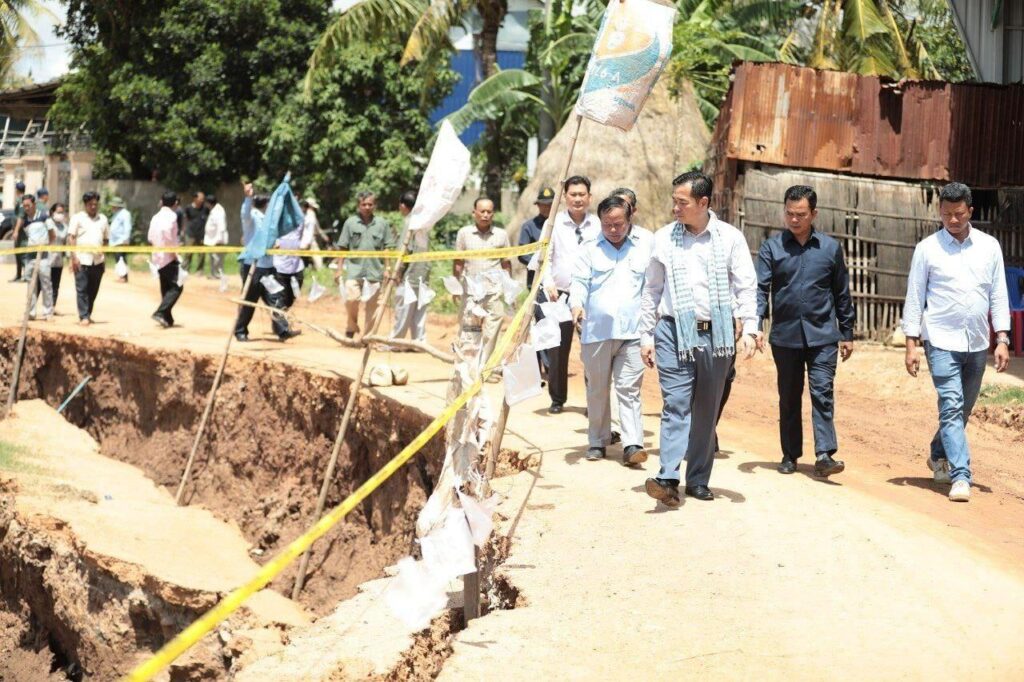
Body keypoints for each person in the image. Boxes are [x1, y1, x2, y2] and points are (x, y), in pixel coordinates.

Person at [640, 171, 760, 506]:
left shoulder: (730, 238)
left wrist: (751, 327)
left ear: (703, 202)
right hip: (672, 331)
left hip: (716, 335)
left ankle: (697, 479)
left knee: (707, 409)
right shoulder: (663, 238)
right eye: (674, 201)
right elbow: (651, 290)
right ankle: (667, 476)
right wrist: (646, 335)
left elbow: (746, 286)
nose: (675, 208)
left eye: (682, 202)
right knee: (676, 404)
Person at [902, 182, 1011, 503]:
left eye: (959, 214)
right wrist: (911, 344)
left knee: (962, 408)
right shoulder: (927, 249)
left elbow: (998, 294)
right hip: (939, 339)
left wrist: (1002, 338)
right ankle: (961, 475)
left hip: (977, 341)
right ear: (940, 211)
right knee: (951, 405)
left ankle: (938, 453)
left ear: (970, 211)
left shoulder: (989, 247)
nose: (952, 220)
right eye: (946, 214)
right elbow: (914, 297)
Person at [756, 185, 856, 478]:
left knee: (822, 392)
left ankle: (824, 454)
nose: (794, 219)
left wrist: (847, 332)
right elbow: (760, 289)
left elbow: (841, 293)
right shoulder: (771, 248)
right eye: (789, 213)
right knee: (789, 397)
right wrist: (756, 325)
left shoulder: (830, 249)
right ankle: (790, 454)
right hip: (785, 337)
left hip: (823, 335)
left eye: (801, 214)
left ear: (814, 214)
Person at [570, 195, 653, 466]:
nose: (613, 229)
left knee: (629, 388)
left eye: (619, 224)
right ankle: (597, 440)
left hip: (633, 332)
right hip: (597, 331)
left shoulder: (644, 246)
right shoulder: (588, 248)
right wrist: (576, 305)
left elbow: (652, 287)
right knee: (598, 388)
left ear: (630, 220)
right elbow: (579, 282)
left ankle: (632, 444)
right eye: (607, 224)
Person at [540, 176, 599, 414]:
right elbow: (544, 257)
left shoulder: (597, 224)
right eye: (573, 194)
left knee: (591, 351)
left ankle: (593, 402)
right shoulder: (553, 224)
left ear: (589, 197)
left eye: (581, 194)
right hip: (560, 296)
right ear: (565, 197)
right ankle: (557, 398)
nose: (577, 199)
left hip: (589, 297)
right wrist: (548, 282)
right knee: (557, 348)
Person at [234, 182, 299, 342]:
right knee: (250, 300)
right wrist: (248, 198)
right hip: (253, 267)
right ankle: (240, 331)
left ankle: (282, 330)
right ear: (265, 205)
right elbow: (244, 214)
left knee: (276, 297)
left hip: (269, 267)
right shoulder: (253, 217)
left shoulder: (270, 222)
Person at [453, 197, 512, 366]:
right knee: (470, 331)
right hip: (471, 294)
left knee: (492, 332)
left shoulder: (501, 235)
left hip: (494, 292)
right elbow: (458, 261)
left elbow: (506, 262)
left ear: (493, 214)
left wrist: (508, 287)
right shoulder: (464, 233)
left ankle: (487, 367)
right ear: (474, 213)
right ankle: (468, 367)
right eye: (482, 211)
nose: (485, 215)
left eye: (489, 212)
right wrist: (455, 286)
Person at [337, 191, 395, 338]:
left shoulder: (382, 224)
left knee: (373, 307)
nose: (367, 207)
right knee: (351, 299)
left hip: (375, 271)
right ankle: (351, 326)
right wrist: (339, 269)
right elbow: (343, 247)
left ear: (375, 205)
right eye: (364, 204)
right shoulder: (350, 223)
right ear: (359, 205)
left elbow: (387, 247)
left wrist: (388, 268)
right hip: (354, 270)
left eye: (370, 204)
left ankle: (367, 338)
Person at [390, 190, 430, 343]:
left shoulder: (410, 223)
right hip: (423, 274)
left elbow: (404, 250)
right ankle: (418, 342)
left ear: (402, 205)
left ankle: (395, 342)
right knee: (419, 311)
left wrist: (397, 272)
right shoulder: (425, 223)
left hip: (410, 274)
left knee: (403, 310)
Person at [67, 191, 110, 326]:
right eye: (90, 204)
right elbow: (71, 238)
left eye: (95, 204)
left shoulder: (103, 219)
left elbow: (106, 239)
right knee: (82, 289)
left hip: (98, 261)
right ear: (85, 204)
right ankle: (83, 316)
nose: (93, 207)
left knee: (93, 290)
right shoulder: (77, 218)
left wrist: (104, 255)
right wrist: (73, 258)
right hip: (82, 259)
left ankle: (88, 313)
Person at [148, 191, 184, 328]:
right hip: (168, 257)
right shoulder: (172, 216)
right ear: (175, 203)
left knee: (166, 287)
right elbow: (169, 237)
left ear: (162, 201)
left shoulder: (155, 217)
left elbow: (150, 237)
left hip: (157, 256)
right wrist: (174, 254)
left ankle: (167, 318)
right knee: (177, 287)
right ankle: (160, 312)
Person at [273, 192, 314, 310]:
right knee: (282, 295)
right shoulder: (280, 218)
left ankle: (282, 312)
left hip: (296, 264)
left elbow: (307, 237)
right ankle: (280, 318)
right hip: (280, 264)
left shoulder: (302, 220)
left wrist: (303, 245)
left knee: (291, 297)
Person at [21, 194, 53, 320]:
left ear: (34, 204)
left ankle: (47, 312)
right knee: (31, 285)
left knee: (46, 284)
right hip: (30, 257)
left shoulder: (44, 216)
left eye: (28, 205)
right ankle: (31, 312)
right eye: (24, 206)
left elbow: (52, 234)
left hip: (43, 256)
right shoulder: (25, 220)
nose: (26, 208)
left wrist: (45, 246)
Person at [519, 186, 555, 289]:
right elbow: (522, 254)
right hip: (535, 279)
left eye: (550, 205)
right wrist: (540, 263)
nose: (547, 208)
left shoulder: (562, 225)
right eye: (544, 205)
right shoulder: (528, 226)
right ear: (538, 205)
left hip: (557, 279)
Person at [46, 203, 69, 307]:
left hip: (58, 261)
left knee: (55, 285)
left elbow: (66, 243)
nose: (60, 215)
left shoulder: (64, 227)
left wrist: (68, 257)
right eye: (58, 212)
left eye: (62, 212)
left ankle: (52, 307)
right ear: (52, 212)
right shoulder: (47, 223)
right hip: (46, 259)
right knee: (44, 284)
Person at [181, 191, 208, 273]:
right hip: (190, 234)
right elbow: (185, 219)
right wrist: (184, 230)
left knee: (201, 254)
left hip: (201, 234)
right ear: (195, 199)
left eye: (203, 199)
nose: (202, 200)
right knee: (188, 253)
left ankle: (199, 271)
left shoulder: (205, 208)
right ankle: (185, 270)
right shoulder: (188, 208)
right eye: (200, 198)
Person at [203, 193, 228, 279]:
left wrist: (219, 240)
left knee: (217, 259)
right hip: (212, 239)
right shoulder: (214, 210)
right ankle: (214, 273)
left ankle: (218, 274)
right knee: (213, 258)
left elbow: (221, 226)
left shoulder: (219, 211)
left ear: (209, 203)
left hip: (217, 240)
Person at [109, 196, 132, 282]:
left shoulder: (125, 214)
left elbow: (127, 227)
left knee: (121, 258)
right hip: (115, 241)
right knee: (118, 258)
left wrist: (126, 239)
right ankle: (121, 275)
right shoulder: (116, 214)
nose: (112, 207)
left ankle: (124, 276)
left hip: (121, 240)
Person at [10, 181, 27, 282]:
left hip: (21, 232)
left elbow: (21, 217)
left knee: (22, 253)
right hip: (18, 231)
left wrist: (16, 231)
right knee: (17, 252)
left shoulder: (22, 201)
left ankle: (25, 275)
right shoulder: (20, 200)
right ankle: (18, 274)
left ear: (17, 190)